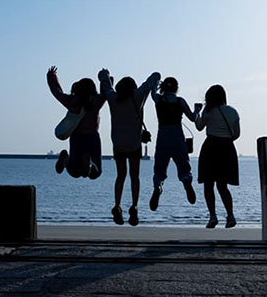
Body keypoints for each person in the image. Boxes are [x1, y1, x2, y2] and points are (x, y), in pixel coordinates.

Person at [99, 69, 161, 226]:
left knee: (120, 176)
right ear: (133, 87)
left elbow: (106, 85)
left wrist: (104, 74)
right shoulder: (138, 96)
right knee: (135, 176)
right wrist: (153, 80)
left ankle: (117, 205)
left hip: (118, 144)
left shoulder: (114, 98)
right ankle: (134, 206)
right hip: (134, 144)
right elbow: (153, 78)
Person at [195, 84, 241, 228]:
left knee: (208, 185)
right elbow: (237, 134)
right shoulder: (233, 112)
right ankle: (230, 215)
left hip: (210, 147)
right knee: (223, 186)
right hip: (227, 148)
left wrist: (197, 112)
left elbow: (199, 127)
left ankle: (213, 216)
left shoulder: (209, 111)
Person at [149, 76, 198, 211]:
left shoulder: (159, 99)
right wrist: (197, 110)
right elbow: (193, 118)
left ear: (164, 87)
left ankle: (158, 186)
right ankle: (186, 180)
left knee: (160, 166)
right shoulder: (180, 101)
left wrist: (155, 84)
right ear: (176, 88)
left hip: (163, 134)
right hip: (177, 134)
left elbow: (152, 92)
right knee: (183, 164)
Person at [47, 65, 105, 179]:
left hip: (77, 137)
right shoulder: (96, 101)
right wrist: (106, 78)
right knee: (96, 172)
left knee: (74, 171)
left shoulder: (72, 101)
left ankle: (65, 160)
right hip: (92, 137)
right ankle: (89, 164)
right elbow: (106, 91)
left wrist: (51, 77)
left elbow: (57, 92)